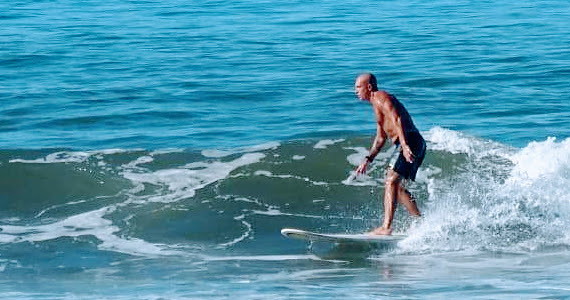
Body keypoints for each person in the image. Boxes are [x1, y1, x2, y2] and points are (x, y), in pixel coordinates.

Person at [354, 73, 426, 235]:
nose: (355, 91)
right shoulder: (376, 105)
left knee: (391, 180)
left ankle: (386, 227)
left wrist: (405, 146)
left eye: (358, 87)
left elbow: (397, 119)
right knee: (397, 188)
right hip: (412, 142)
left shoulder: (380, 97)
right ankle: (420, 222)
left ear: (369, 87)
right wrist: (368, 159)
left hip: (410, 141)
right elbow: (380, 138)